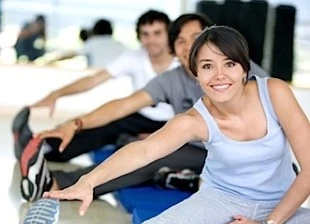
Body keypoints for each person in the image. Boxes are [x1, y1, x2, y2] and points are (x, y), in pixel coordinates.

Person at [23, 25, 310, 224]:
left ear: (245, 69)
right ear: (196, 75)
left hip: (283, 202)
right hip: (221, 199)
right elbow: (143, 151)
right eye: (208, 66)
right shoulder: (195, 120)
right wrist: (89, 181)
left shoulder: (274, 92)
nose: (220, 75)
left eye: (229, 63)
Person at [17, 14, 269, 202]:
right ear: (174, 49)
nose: (187, 46)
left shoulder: (240, 68)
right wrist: (74, 123)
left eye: (196, 37)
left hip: (246, 155)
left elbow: (276, 114)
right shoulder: (170, 79)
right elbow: (123, 105)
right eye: (179, 41)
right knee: (144, 152)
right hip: (198, 149)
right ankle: (56, 181)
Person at [13, 10, 177, 161]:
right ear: (139, 36)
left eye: (157, 33)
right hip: (139, 116)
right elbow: (93, 80)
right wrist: (56, 94)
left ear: (168, 34)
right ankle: (41, 148)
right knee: (96, 124)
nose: (151, 40)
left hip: (175, 122)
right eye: (145, 34)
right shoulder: (133, 57)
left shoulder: (181, 61)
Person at [49, 19, 128, 67]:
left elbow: (72, 54)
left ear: (95, 30)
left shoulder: (93, 43)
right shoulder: (120, 45)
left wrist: (50, 61)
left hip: (96, 77)